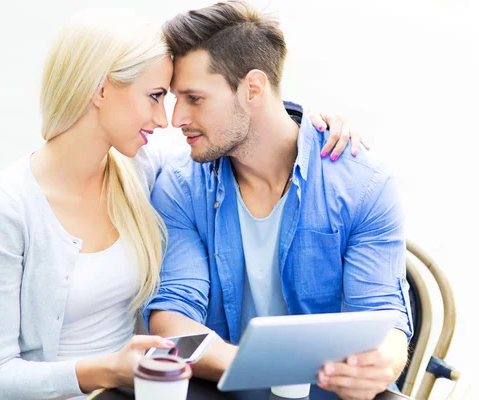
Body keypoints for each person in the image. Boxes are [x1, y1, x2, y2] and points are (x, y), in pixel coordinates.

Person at [0, 6, 360, 400]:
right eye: (154, 97)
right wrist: (108, 369)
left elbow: (238, 136)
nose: (165, 118)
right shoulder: (6, 207)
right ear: (100, 89)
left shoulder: (142, 172)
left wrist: (309, 126)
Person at [144, 2, 413, 400]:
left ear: (253, 88)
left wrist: (382, 364)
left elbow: (385, 315)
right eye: (172, 98)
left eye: (194, 98)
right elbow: (173, 316)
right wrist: (261, 367)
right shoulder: (181, 186)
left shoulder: (363, 184)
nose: (176, 117)